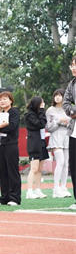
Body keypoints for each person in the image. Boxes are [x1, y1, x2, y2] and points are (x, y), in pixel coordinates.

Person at [0, 91, 22, 206]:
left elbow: (12, 126)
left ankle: (14, 198)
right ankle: (4, 197)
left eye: (5, 99)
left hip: (11, 145)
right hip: (0, 145)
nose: (2, 101)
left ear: (10, 100)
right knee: (3, 172)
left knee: (12, 172)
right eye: (0, 99)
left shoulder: (14, 112)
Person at [45, 89, 71, 198]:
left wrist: (67, 123)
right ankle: (56, 188)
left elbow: (72, 124)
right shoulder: (50, 110)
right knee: (60, 162)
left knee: (66, 164)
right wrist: (58, 122)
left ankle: (63, 187)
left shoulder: (68, 109)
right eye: (56, 95)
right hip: (56, 138)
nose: (58, 97)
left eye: (60, 95)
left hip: (67, 137)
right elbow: (48, 127)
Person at [25, 96, 49, 199]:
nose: (43, 104)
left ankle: (38, 189)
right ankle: (29, 191)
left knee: (39, 169)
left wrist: (41, 112)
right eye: (41, 103)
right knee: (34, 168)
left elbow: (43, 123)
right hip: (34, 143)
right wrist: (42, 111)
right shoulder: (29, 114)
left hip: (42, 142)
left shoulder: (39, 114)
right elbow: (40, 124)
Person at [64, 56, 76, 209]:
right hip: (74, 131)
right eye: (72, 65)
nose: (73, 67)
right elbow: (66, 103)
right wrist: (73, 111)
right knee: (73, 165)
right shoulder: (71, 84)